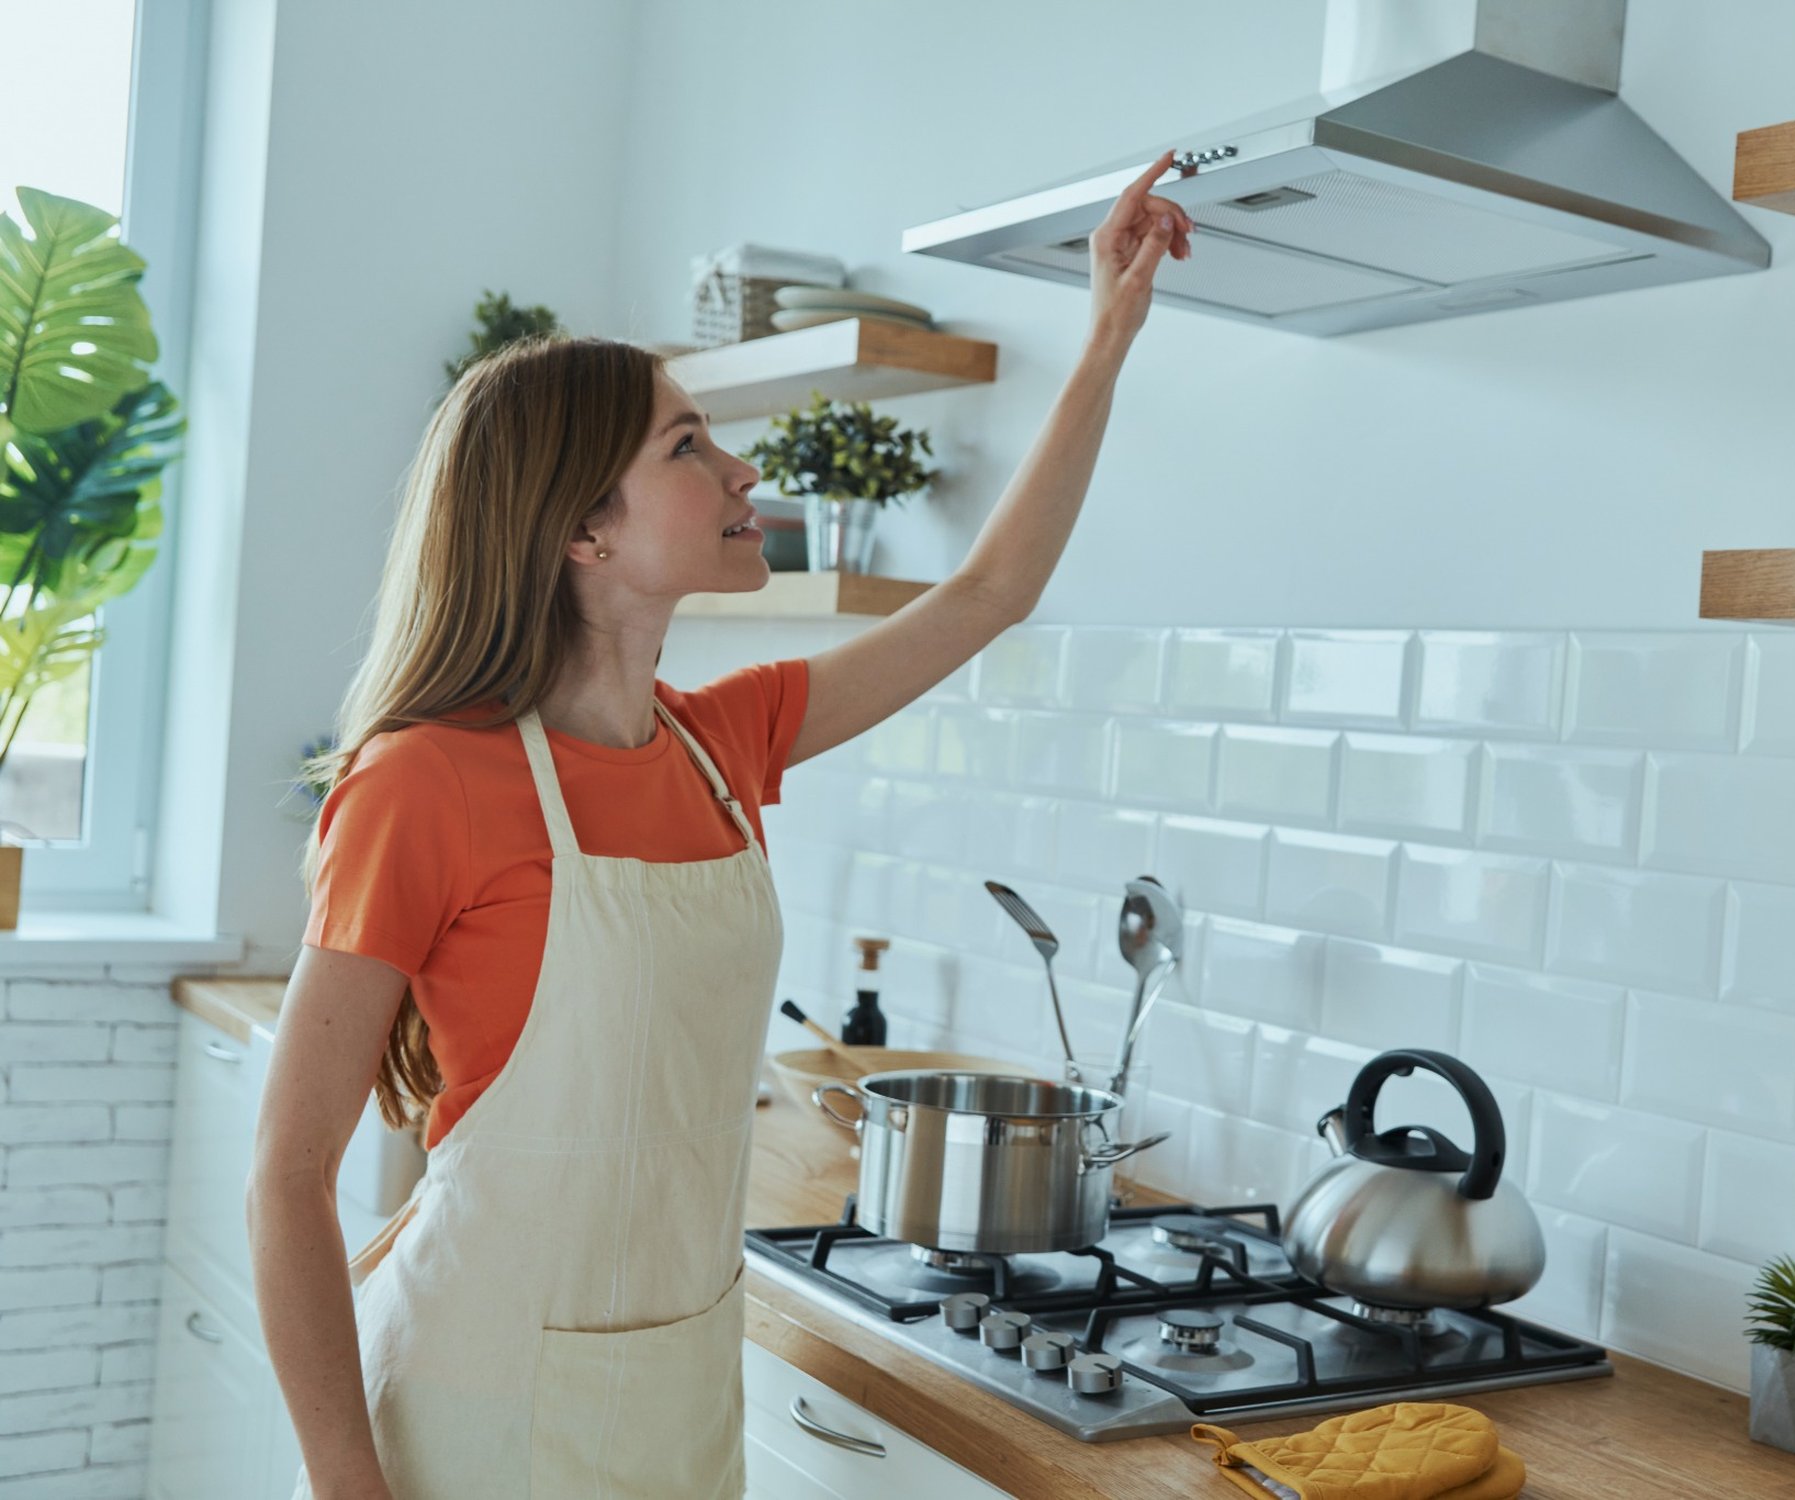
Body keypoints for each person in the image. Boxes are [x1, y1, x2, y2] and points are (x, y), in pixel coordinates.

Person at [249, 153, 1195, 1500]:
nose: (742, 469)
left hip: (680, 1396)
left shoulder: (721, 741)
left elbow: (988, 593)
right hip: (470, 1409)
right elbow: (287, 1180)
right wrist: (348, 1482)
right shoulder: (423, 784)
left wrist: (1107, 331)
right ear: (582, 529)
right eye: (687, 446)